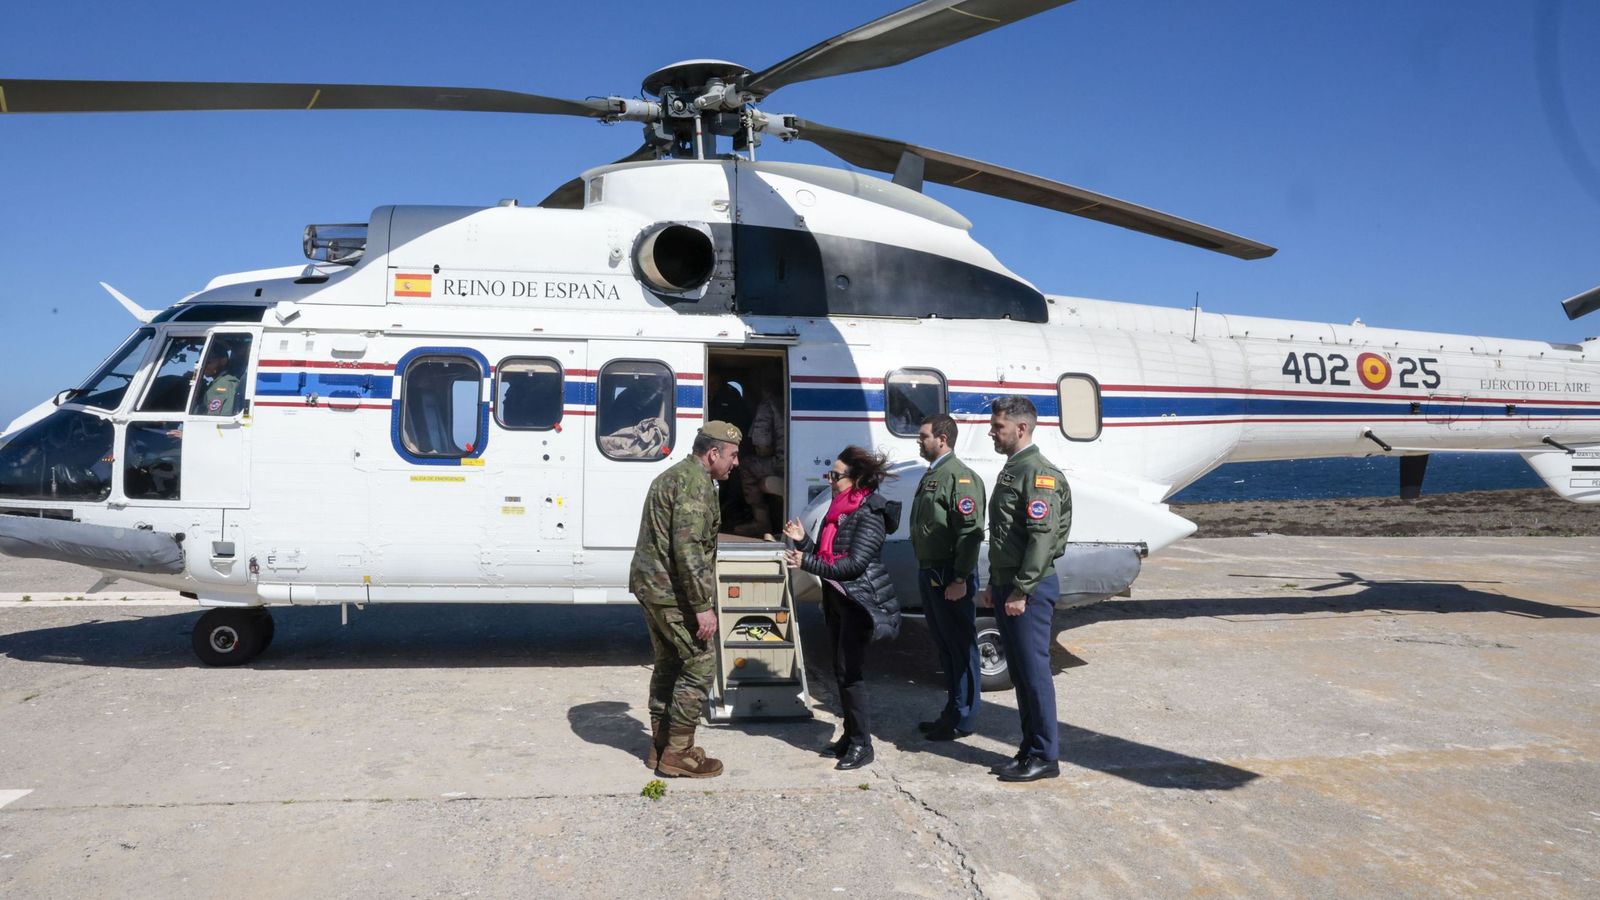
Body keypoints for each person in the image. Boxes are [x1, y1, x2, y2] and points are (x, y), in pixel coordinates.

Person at [628, 421, 742, 778]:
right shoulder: (695, 483)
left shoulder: (673, 476)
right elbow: (688, 548)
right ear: (713, 453)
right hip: (672, 592)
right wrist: (701, 607)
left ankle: (661, 745)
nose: (735, 463)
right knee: (700, 663)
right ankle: (679, 753)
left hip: (652, 588)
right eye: (733, 455)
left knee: (669, 663)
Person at [782, 446, 900, 770]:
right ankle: (850, 736)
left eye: (835, 475)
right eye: (829, 475)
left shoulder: (870, 513)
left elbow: (855, 565)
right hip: (836, 597)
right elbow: (826, 554)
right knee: (840, 669)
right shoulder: (840, 509)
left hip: (858, 601)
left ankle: (863, 744)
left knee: (851, 674)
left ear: (856, 478)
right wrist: (804, 541)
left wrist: (806, 560)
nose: (830, 480)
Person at [983, 395, 1072, 782]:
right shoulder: (1013, 469)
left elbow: (1041, 538)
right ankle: (1029, 746)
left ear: (1021, 429)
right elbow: (1006, 537)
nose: (991, 432)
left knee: (1034, 673)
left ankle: (1045, 755)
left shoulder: (1038, 473)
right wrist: (995, 583)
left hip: (1028, 589)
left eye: (998, 426)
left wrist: (1020, 589)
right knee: (1020, 673)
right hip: (1008, 584)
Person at [910, 413, 987, 741]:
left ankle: (964, 717)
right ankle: (952, 711)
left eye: (924, 436)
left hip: (949, 574)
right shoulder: (935, 475)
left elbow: (970, 533)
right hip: (931, 571)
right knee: (945, 646)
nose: (919, 441)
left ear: (942, 438)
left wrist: (959, 579)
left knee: (959, 646)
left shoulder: (959, 478)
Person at [733, 376, 785, 537]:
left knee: (747, 464)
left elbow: (761, 443)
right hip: (795, 464)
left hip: (781, 464)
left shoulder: (768, 404)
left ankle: (761, 521)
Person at [193, 349, 240, 416]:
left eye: (208, 361)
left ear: (223, 361)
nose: (203, 365)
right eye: (200, 362)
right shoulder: (215, 383)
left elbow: (216, 418)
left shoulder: (224, 384)